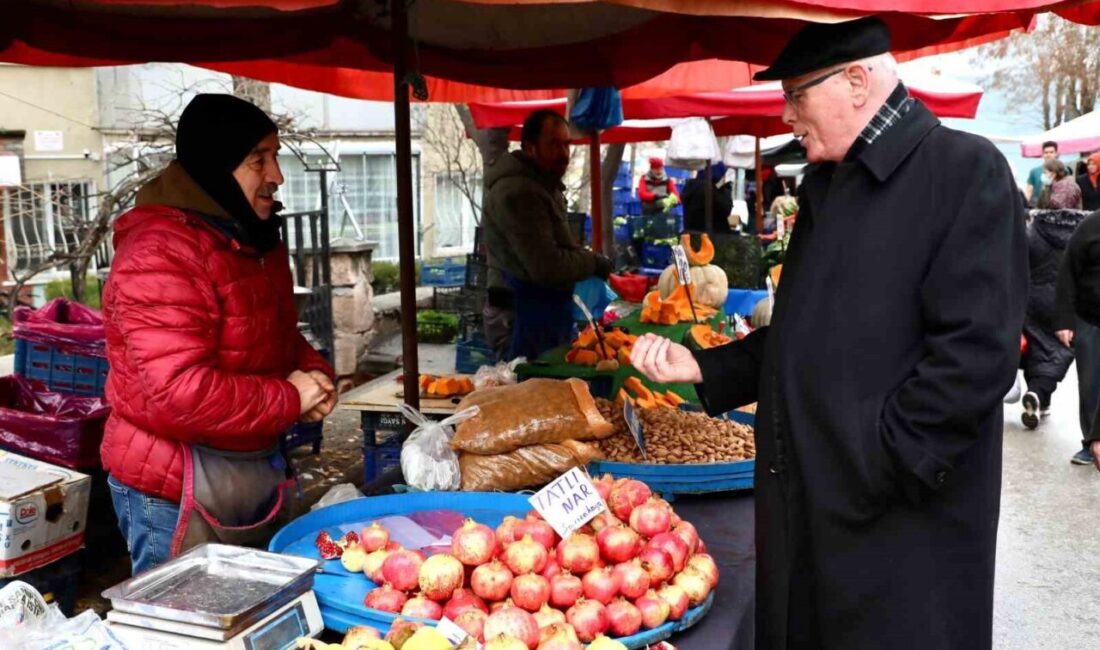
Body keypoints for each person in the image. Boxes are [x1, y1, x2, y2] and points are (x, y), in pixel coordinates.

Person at [629, 17, 1026, 649]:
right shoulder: (826, 187)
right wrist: (708, 367)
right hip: (813, 509)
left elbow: (977, 356)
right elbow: (803, 334)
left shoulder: (963, 171)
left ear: (858, 82)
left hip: (899, 529)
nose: (787, 114)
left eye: (796, 94)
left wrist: (878, 459)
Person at [101, 94, 336, 575]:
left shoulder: (249, 236)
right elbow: (178, 392)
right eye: (258, 160)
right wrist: (289, 397)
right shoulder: (159, 252)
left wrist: (312, 370)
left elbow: (271, 335)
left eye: (276, 156)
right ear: (216, 165)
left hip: (247, 469)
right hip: (173, 484)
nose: (276, 175)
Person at [481, 109, 612, 361]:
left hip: (542, 313)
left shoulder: (543, 184)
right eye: (553, 144)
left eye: (566, 144)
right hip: (520, 316)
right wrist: (593, 262)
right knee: (530, 394)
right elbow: (547, 266)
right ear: (530, 147)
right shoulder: (520, 192)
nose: (563, 153)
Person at [1020, 203, 1087, 429]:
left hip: (1033, 300)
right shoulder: (1085, 232)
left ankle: (1038, 397)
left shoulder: (1033, 230)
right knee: (1057, 352)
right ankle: (1039, 394)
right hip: (1067, 304)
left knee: (1036, 348)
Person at [1055, 208, 1100, 467]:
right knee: (1091, 382)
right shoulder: (1090, 226)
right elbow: (1067, 273)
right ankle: (1089, 442)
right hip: (1090, 318)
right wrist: (1063, 320)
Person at [681, 162, 733, 232]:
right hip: (712, 236)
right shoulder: (711, 190)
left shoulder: (690, 187)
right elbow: (726, 209)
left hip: (690, 233)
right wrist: (726, 187)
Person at [1027, 141, 1060, 206]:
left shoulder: (1062, 171)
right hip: (1037, 205)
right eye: (1046, 152)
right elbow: (1029, 191)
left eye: (1051, 152)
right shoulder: (1034, 171)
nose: (1048, 155)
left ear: (1056, 154)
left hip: (1057, 205)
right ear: (1042, 154)